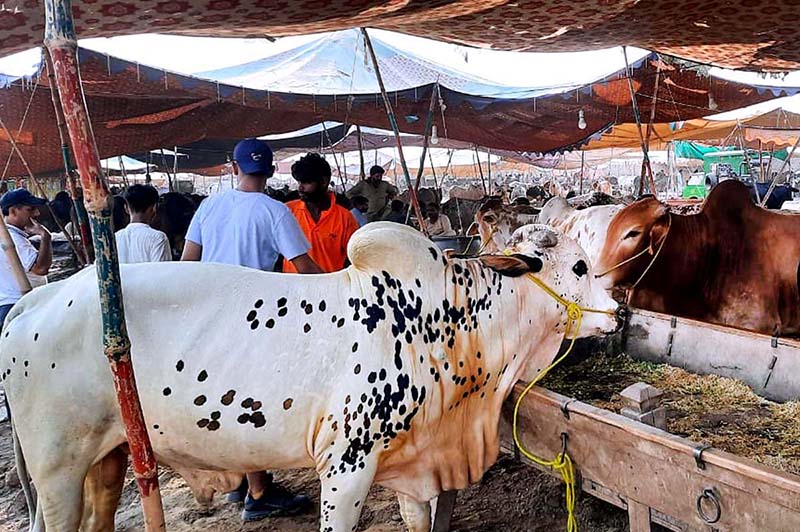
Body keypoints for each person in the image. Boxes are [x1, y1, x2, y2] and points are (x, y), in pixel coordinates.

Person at [182, 138, 320, 522]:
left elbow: (188, 261)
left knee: (227, 395)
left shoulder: (209, 206)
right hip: (252, 318)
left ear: (234, 166)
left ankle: (241, 480)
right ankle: (258, 492)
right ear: (272, 171)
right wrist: (340, 289)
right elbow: (304, 267)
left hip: (209, 314)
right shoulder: (274, 211)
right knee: (249, 401)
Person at [282, 153, 359, 273]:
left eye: (306, 182)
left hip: (329, 288)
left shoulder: (345, 218)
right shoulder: (287, 211)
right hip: (292, 288)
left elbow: (355, 258)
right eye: (299, 182)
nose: (300, 188)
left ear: (323, 181)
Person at [0, 189, 52, 329]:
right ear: (13, 211)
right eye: (30, 209)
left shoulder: (10, 236)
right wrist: (45, 237)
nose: (36, 214)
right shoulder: (14, 239)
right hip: (19, 305)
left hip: (11, 303)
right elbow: (41, 269)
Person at [114, 184, 171, 264]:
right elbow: (163, 273)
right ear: (154, 207)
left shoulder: (114, 238)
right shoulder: (158, 239)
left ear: (126, 208)